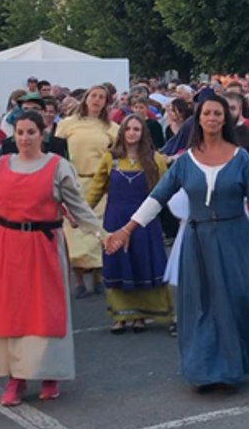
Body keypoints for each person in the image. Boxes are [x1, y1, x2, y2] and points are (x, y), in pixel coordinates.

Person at [104, 95, 249, 391]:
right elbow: (157, 198)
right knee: (201, 304)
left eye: (218, 113)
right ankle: (205, 369)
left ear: (225, 119)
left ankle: (231, 367)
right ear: (199, 118)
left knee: (232, 301)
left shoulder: (240, 157)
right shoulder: (186, 160)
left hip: (234, 237)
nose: (213, 118)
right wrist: (126, 229)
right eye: (207, 113)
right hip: (198, 238)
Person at [0, 110, 107, 407]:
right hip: (6, 246)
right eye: (20, 132)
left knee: (45, 312)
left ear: (42, 133)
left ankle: (48, 373)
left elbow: (79, 208)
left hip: (44, 246)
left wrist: (104, 236)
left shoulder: (58, 166)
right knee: (10, 311)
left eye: (31, 132)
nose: (25, 138)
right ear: (13, 134)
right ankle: (15, 378)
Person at [84, 115, 172, 334]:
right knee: (117, 263)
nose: (132, 133)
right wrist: (81, 214)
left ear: (143, 134)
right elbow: (96, 188)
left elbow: (166, 189)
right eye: (128, 129)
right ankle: (119, 316)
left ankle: (141, 315)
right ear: (122, 132)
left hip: (144, 222)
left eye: (137, 129)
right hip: (115, 218)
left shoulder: (155, 159)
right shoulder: (109, 159)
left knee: (143, 262)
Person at [54, 85, 117, 297]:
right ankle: (79, 280)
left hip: (100, 183)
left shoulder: (112, 128)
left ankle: (98, 277)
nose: (97, 100)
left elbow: (116, 155)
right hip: (74, 182)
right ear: (86, 98)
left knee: (97, 230)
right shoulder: (67, 125)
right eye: (94, 96)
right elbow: (57, 153)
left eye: (102, 97)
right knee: (75, 232)